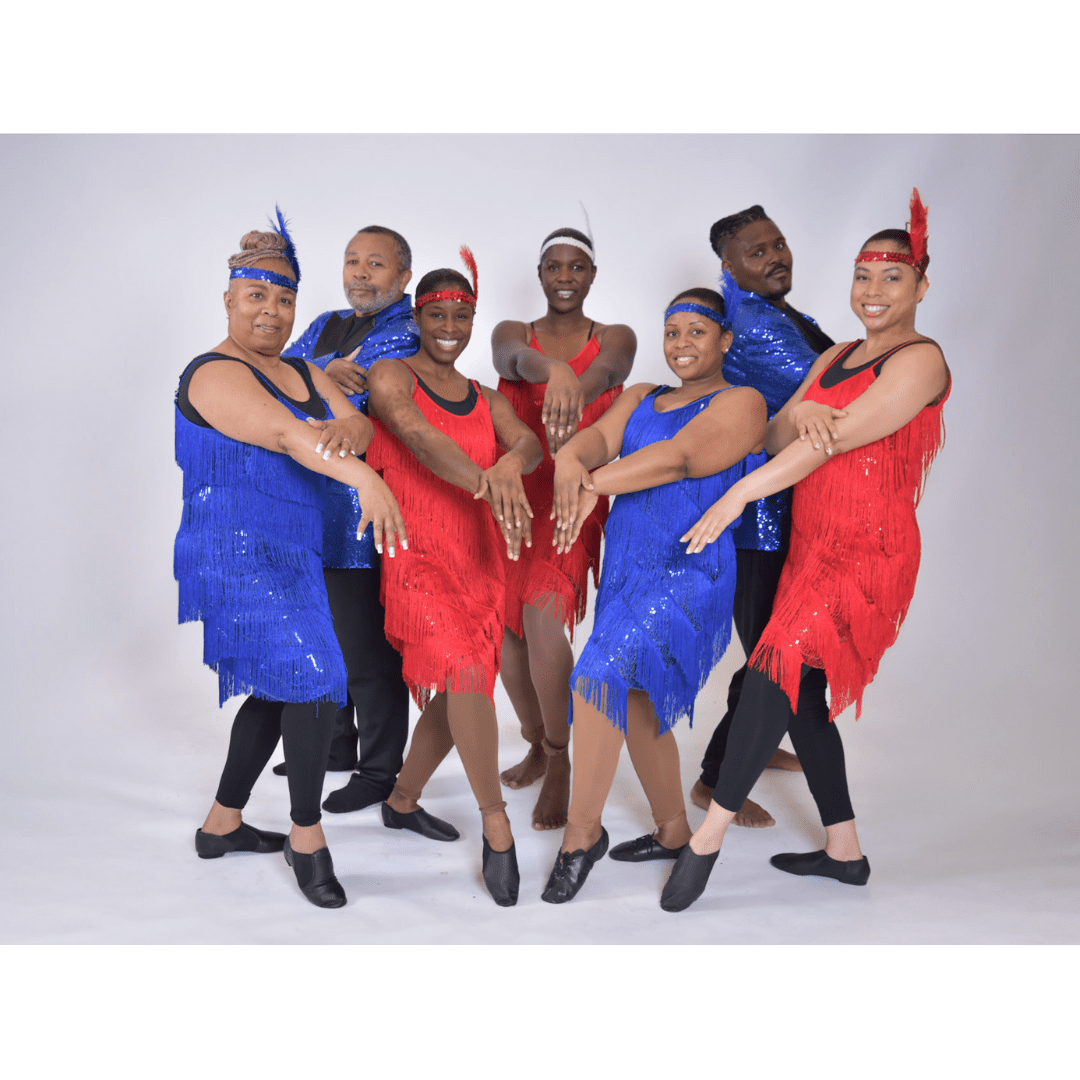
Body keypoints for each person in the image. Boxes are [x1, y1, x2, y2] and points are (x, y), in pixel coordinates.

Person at [661, 190, 949, 912]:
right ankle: (845, 851)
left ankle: (707, 840)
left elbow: (835, 438)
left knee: (774, 670)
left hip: (864, 551)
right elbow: (777, 434)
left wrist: (736, 496)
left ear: (921, 284)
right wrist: (802, 416)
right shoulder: (840, 355)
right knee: (804, 695)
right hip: (807, 546)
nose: (873, 290)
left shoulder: (920, 359)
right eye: (862, 276)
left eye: (891, 277)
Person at [176, 215, 406, 908]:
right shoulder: (213, 372)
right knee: (316, 679)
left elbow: (356, 423)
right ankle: (307, 838)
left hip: (295, 552)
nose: (271, 310)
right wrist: (364, 477)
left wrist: (350, 427)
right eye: (256, 296)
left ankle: (221, 826)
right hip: (237, 552)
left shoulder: (306, 369)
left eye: (283, 299)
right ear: (228, 300)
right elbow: (283, 431)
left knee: (281, 688)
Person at [539, 289, 767, 904]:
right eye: (672, 332)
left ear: (724, 341)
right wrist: (569, 464)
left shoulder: (743, 402)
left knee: (595, 678)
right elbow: (595, 439)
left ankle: (581, 837)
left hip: (690, 569)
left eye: (697, 331)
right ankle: (672, 831)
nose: (682, 343)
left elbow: (682, 458)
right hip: (628, 568)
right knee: (635, 699)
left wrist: (593, 484)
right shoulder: (643, 395)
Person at [365, 250, 543, 907]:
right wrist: (487, 484)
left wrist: (508, 467)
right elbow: (416, 438)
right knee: (466, 674)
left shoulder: (487, 399)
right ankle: (497, 829)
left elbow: (527, 442)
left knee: (460, 683)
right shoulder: (393, 375)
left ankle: (403, 799)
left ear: (473, 320)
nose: (449, 326)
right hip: (415, 554)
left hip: (478, 556)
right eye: (436, 315)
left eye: (460, 316)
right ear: (418, 317)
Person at [692, 206, 837, 828]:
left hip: (786, 508)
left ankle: (758, 735)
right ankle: (713, 781)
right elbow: (840, 390)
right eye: (757, 252)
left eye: (779, 243)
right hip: (759, 520)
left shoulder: (776, 308)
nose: (776, 256)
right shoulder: (753, 322)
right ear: (729, 267)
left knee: (772, 652)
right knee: (777, 656)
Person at [492, 227, 636, 830]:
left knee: (544, 625)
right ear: (541, 273)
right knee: (506, 636)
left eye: (577, 267)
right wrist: (551, 368)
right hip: (512, 492)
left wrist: (576, 378)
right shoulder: (513, 334)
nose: (565, 277)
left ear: (592, 275)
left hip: (573, 497)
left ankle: (560, 760)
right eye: (554, 267)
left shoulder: (614, 337)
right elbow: (509, 362)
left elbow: (606, 373)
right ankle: (535, 737)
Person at [273, 227, 419, 820]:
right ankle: (335, 744)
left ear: (403, 277)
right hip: (314, 502)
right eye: (352, 260)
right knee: (323, 631)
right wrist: (321, 369)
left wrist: (309, 375)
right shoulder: (329, 323)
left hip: (367, 507)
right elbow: (276, 377)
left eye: (376, 264)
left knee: (366, 647)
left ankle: (381, 770)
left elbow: (349, 404)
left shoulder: (407, 331)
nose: (360, 272)